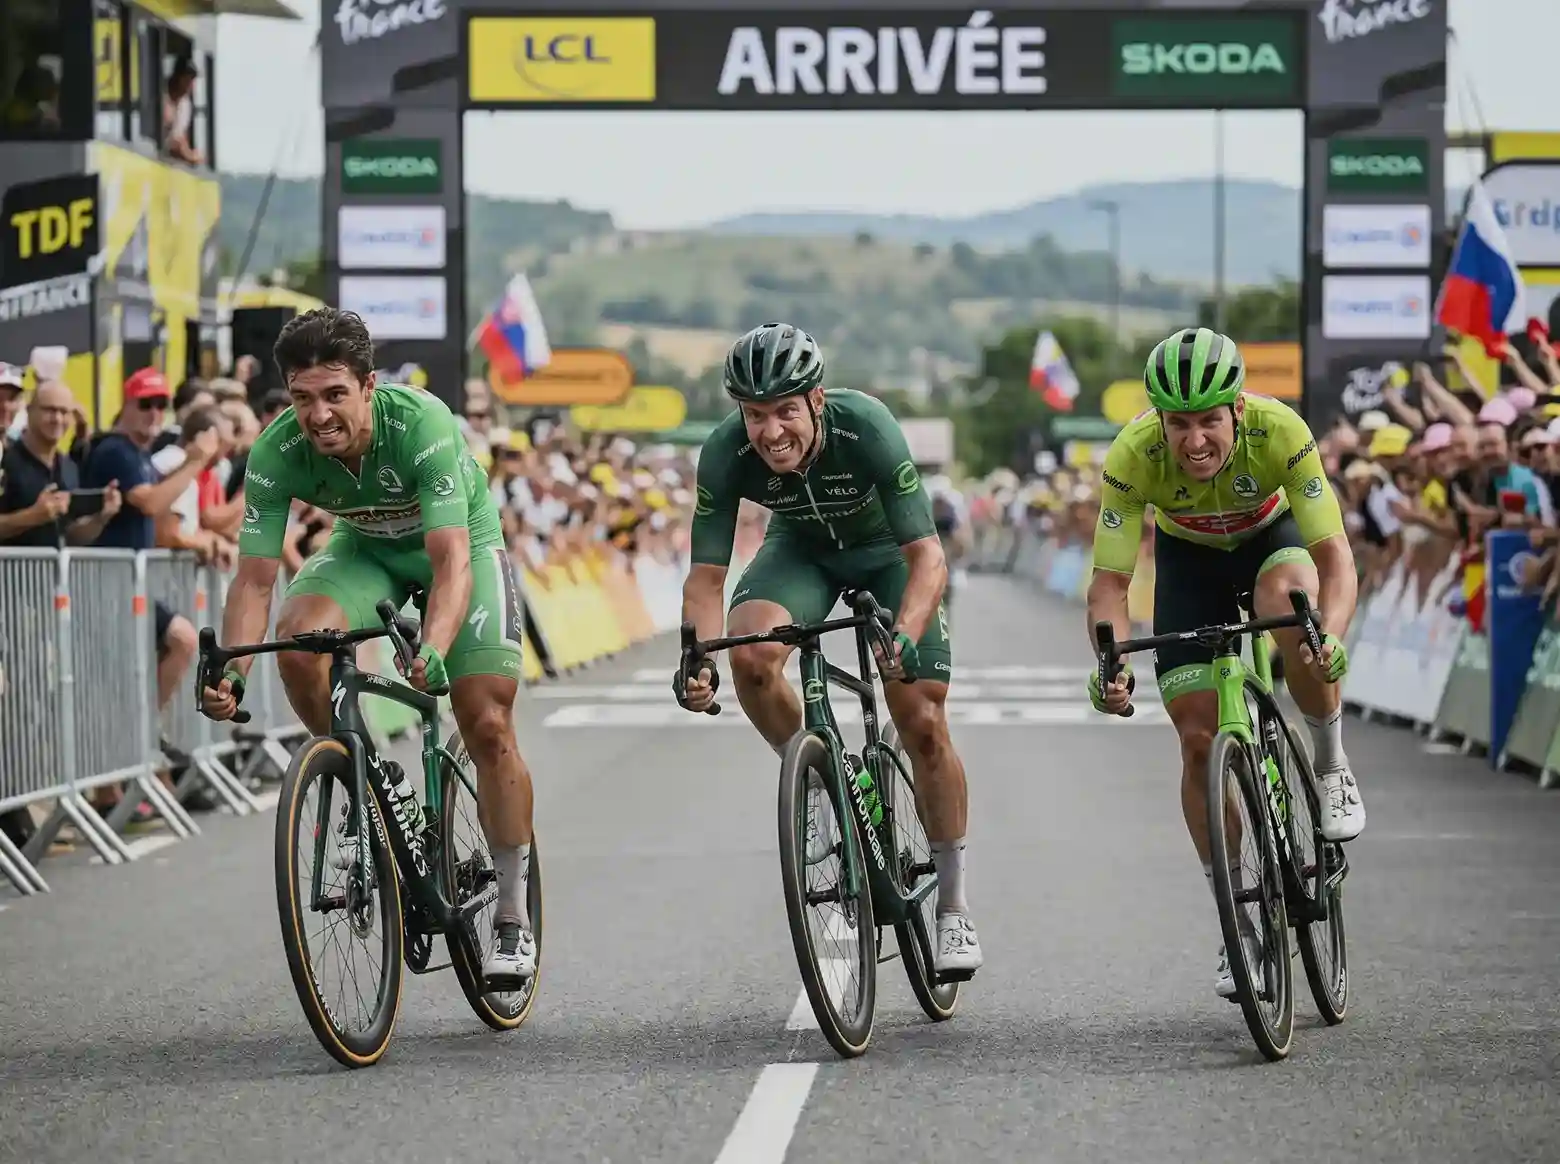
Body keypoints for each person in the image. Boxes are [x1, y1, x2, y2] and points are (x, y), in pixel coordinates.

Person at [196, 308, 539, 985]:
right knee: (300, 643)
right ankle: (371, 775)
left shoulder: (421, 425)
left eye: (335, 394)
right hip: (365, 550)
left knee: (487, 721)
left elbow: (450, 563)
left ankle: (511, 914)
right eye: (302, 398)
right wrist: (231, 671)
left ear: (369, 386)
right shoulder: (275, 452)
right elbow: (255, 579)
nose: (318, 415)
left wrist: (433, 647)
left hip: (461, 549)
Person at [675, 322, 981, 975]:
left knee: (922, 717)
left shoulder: (866, 427)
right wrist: (697, 660)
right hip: (801, 552)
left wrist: (906, 631)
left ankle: (953, 906)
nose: (770, 432)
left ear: (817, 399)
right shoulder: (725, 452)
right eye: (755, 415)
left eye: (785, 411)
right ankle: (820, 782)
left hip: (887, 553)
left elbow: (928, 557)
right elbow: (705, 578)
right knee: (752, 657)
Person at [1084, 326, 1361, 1000]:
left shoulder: (1280, 430)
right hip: (1190, 562)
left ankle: (1330, 764)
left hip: (1271, 541)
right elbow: (1110, 586)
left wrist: (1331, 635)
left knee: (1290, 608)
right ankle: (1237, 919)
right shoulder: (1133, 454)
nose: (1195, 441)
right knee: (1197, 742)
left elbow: (1335, 559)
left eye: (1209, 420)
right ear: (1158, 420)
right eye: (1179, 424)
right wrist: (1110, 665)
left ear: (1237, 408)